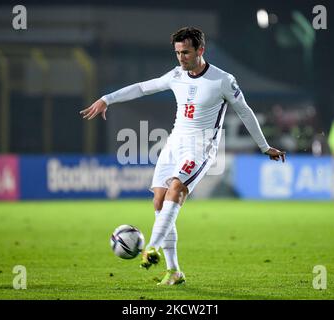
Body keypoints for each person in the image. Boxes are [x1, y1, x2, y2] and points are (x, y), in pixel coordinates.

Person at [80, 27, 286, 286]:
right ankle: (174, 271)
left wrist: (265, 146)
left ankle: (151, 248)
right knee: (158, 200)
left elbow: (245, 112)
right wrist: (107, 99)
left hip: (200, 148)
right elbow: (143, 88)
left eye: (186, 52)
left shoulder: (223, 80)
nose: (181, 58)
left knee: (175, 189)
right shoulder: (176, 75)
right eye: (177, 52)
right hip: (174, 143)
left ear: (201, 50)